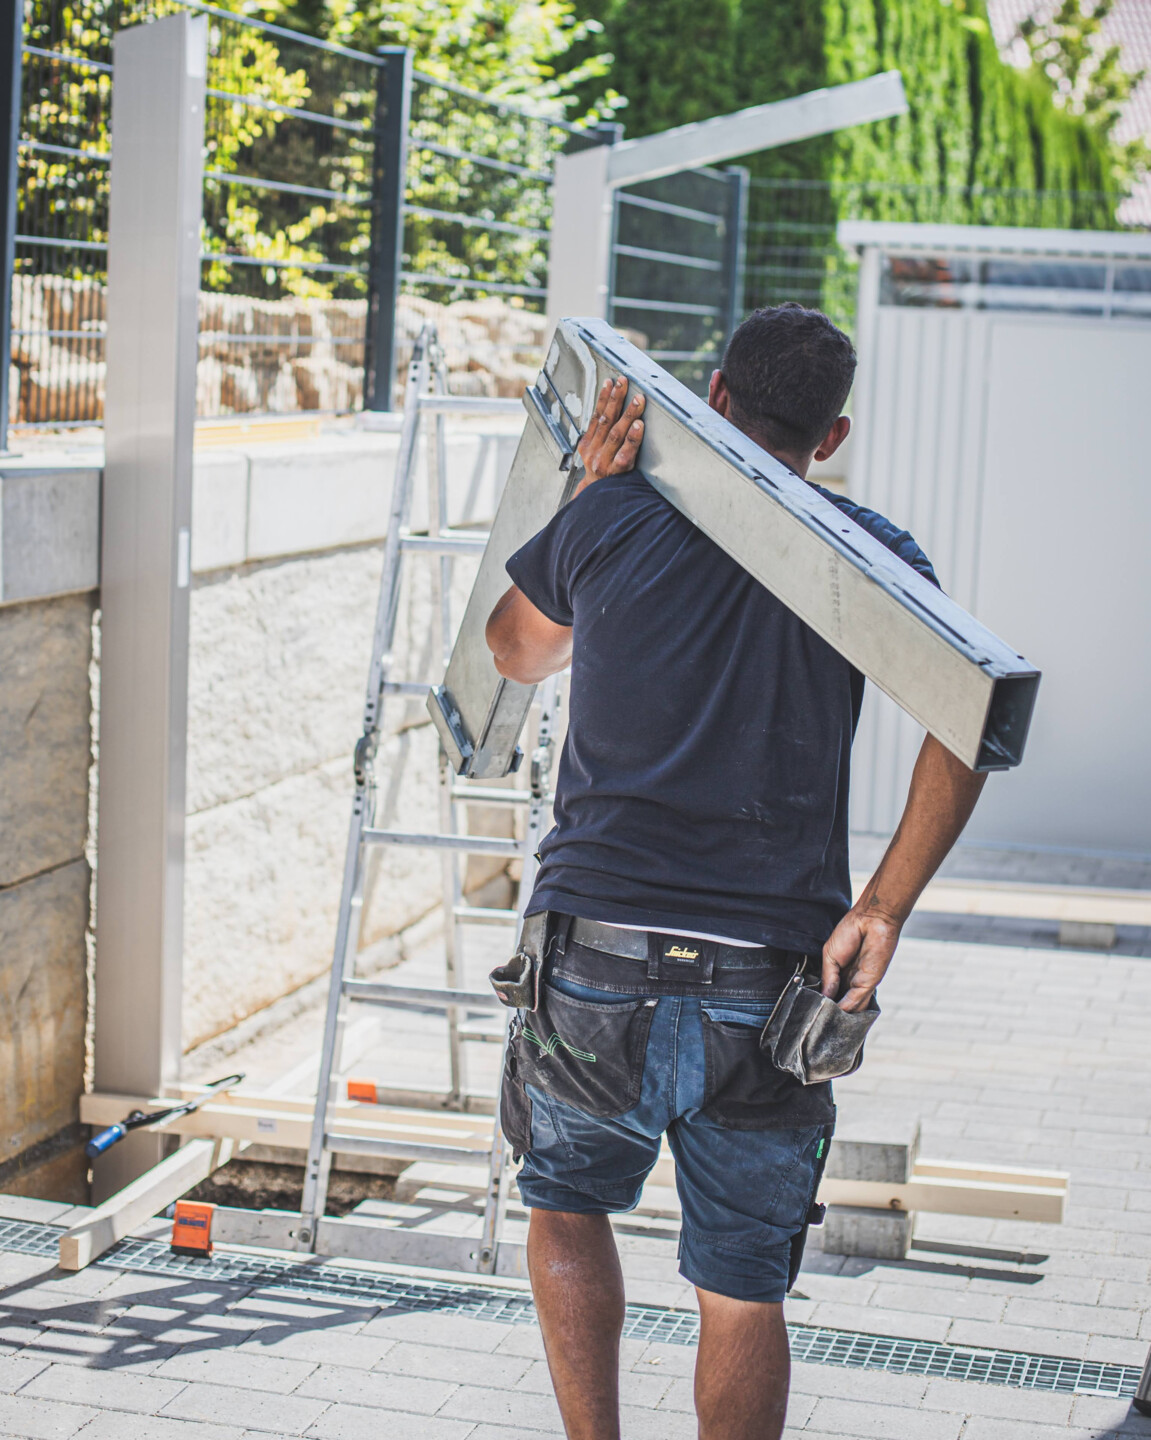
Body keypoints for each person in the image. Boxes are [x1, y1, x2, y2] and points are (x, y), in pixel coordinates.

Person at [485, 303, 986, 1440]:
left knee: (566, 1208)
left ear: (711, 398)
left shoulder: (614, 513)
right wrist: (883, 909)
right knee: (742, 1286)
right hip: (769, 973)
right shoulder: (873, 560)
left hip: (596, 948)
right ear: (832, 434)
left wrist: (579, 506)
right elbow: (970, 724)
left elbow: (512, 652)